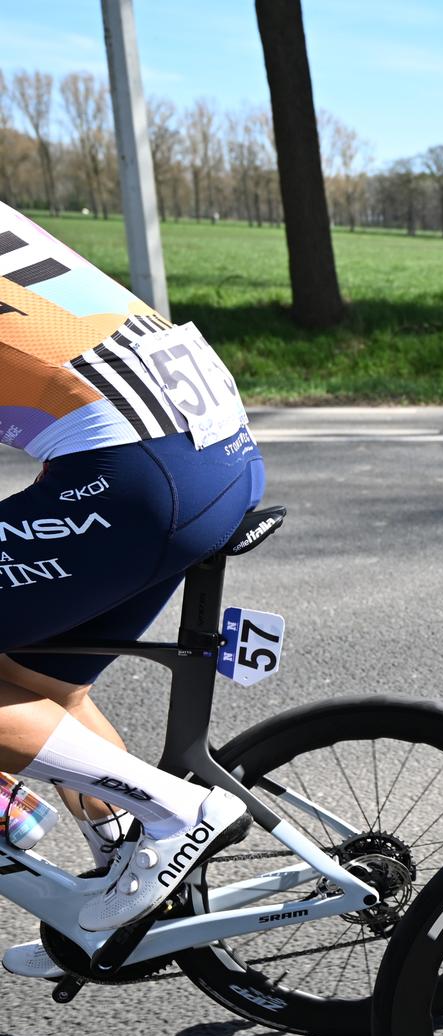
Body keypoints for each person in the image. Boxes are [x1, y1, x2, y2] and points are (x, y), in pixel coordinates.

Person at [0, 200, 265, 978]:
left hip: (140, 472)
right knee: (37, 683)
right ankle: (130, 869)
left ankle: (177, 811)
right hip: (210, 448)